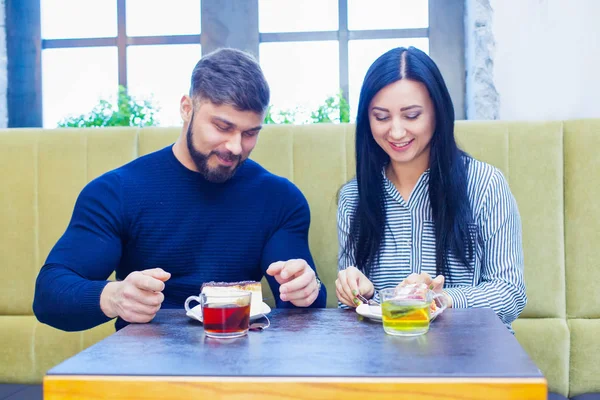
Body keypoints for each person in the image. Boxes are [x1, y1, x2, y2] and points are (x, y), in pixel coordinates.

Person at [33, 48, 326, 332]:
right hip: (146, 368)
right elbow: (49, 295)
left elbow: (300, 309)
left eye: (250, 133)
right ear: (187, 108)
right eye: (223, 127)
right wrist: (113, 297)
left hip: (241, 360)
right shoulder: (116, 192)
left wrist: (308, 290)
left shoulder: (279, 199)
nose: (236, 147)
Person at [335, 46, 526, 331]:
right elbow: (355, 310)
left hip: (472, 357)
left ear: (438, 112)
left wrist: (441, 299)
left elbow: (510, 293)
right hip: (386, 362)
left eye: (411, 115)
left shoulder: (485, 185)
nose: (396, 132)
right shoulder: (354, 198)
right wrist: (357, 292)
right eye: (381, 117)